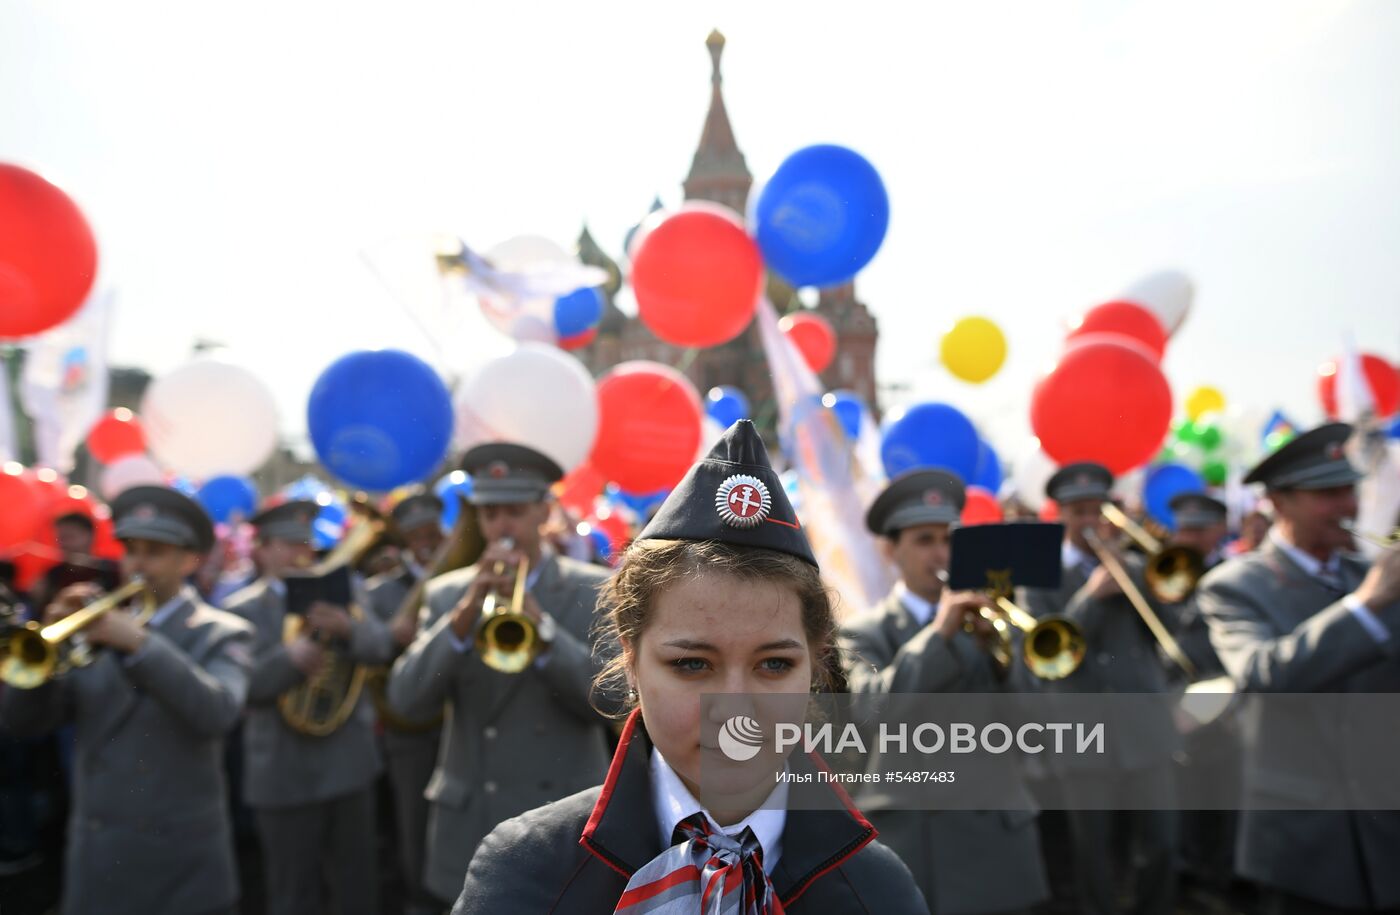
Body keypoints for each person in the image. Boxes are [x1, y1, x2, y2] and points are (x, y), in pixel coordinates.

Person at [452, 420, 930, 913]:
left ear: (817, 660)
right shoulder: (530, 870)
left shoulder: (877, 890)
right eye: (692, 665)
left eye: (773, 665)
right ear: (631, 659)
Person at [0, 485, 254, 914]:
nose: (137, 563)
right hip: (99, 859)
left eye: (154, 551)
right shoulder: (94, 629)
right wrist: (42, 650)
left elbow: (218, 712)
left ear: (190, 560)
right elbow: (23, 724)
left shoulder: (223, 631)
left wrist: (141, 645)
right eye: (130, 549)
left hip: (181, 863)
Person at [387, 442, 618, 907]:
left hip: (561, 817)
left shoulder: (590, 587)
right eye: (490, 513)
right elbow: (405, 700)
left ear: (543, 511)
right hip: (474, 819)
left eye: (514, 511)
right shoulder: (446, 593)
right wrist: (460, 620)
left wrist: (544, 633)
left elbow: (614, 699)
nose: (501, 527)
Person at [1196, 422, 1400, 913]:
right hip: (1304, 838)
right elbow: (1263, 674)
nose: (1350, 506)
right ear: (1280, 503)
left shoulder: (1366, 575)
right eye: (1328, 494)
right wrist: (1367, 605)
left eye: (1350, 490)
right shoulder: (1235, 584)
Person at [839, 468, 1049, 915]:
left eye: (949, 539)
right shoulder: (863, 632)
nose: (940, 553)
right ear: (889, 549)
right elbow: (868, 711)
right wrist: (938, 637)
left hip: (997, 833)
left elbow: (1032, 720)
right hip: (922, 843)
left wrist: (1004, 653)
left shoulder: (990, 621)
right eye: (924, 540)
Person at [1018, 462, 1179, 915]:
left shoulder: (1136, 564)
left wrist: (1135, 580)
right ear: (1061, 514)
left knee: (1162, 845)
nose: (1089, 520)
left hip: (1145, 729)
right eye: (1079, 511)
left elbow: (1170, 629)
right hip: (1082, 737)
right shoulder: (1040, 575)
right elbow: (1043, 655)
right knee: (1093, 854)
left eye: (1097, 509)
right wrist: (1090, 597)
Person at [225, 500, 394, 915]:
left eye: (304, 542)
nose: (300, 552)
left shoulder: (346, 589)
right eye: (286, 544)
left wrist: (348, 627)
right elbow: (242, 689)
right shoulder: (240, 609)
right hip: (283, 775)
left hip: (348, 765)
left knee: (357, 890)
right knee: (292, 895)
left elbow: (382, 647)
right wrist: (288, 659)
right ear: (260, 550)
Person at [366, 489, 446, 915]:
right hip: (408, 729)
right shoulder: (379, 591)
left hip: (454, 723)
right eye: (416, 535)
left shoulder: (463, 578)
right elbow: (371, 650)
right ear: (404, 541)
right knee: (413, 825)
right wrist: (390, 635)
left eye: (432, 532)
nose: (426, 541)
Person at [29, 512, 120, 612]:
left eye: (71, 537)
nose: (65, 544)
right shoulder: (52, 575)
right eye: (60, 538)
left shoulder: (112, 570)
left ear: (90, 535)